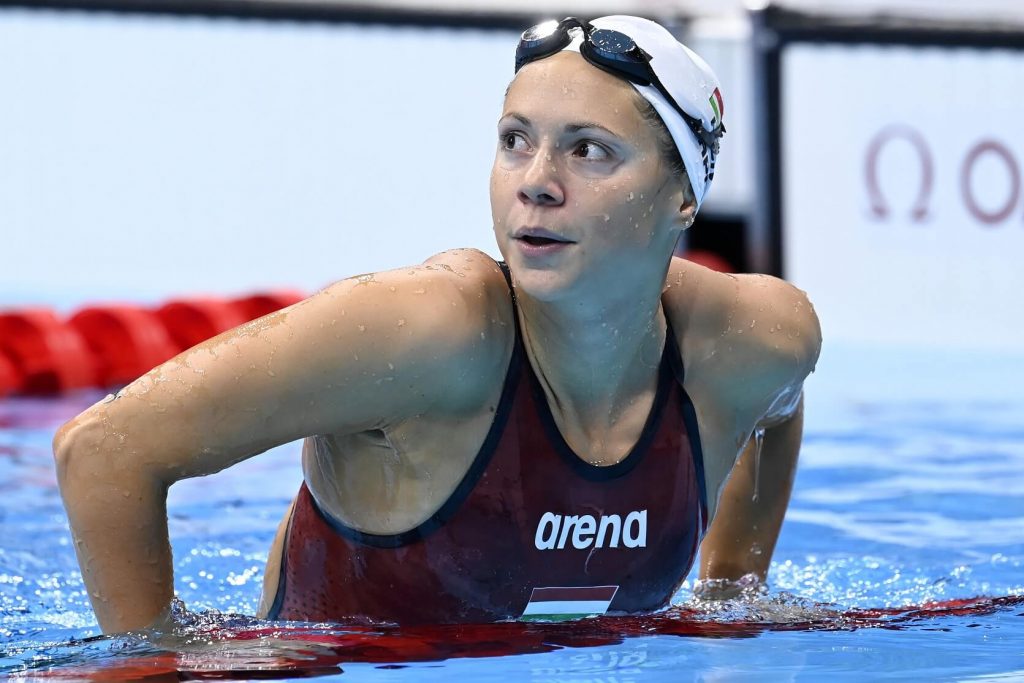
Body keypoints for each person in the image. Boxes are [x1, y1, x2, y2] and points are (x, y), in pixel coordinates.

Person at [54, 15, 820, 633]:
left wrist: (731, 595)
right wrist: (160, 661)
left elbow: (778, 405)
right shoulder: (431, 334)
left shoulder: (750, 341)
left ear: (683, 196)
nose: (536, 184)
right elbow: (104, 451)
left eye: (589, 151)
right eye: (515, 140)